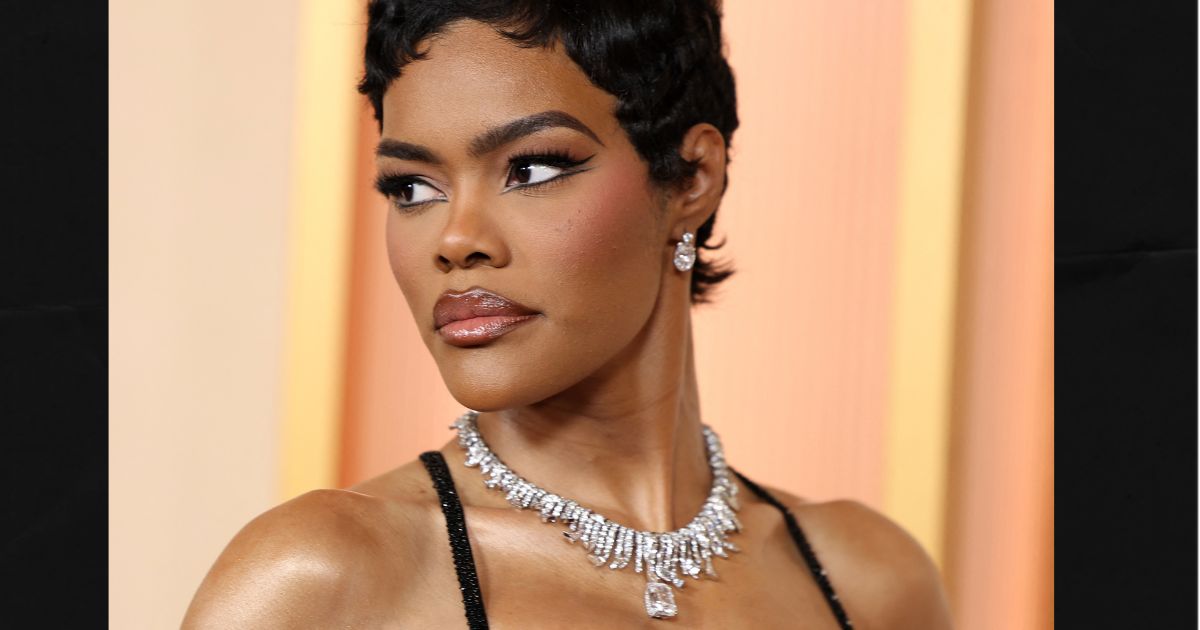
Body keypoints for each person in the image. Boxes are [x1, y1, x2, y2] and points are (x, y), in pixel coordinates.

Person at [183, 1, 954, 627]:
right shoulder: (323, 582)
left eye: (531, 168)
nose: (456, 239)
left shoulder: (868, 583)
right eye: (412, 187)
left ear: (692, 177)